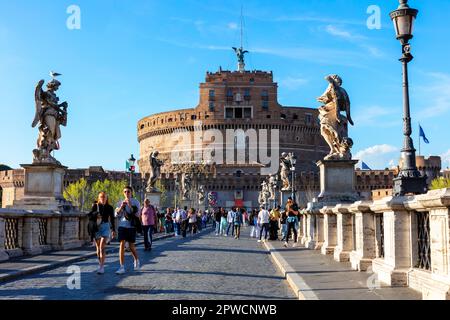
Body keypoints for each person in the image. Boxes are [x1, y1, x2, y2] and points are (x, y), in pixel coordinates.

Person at [115, 186, 141, 275]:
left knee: (131, 246)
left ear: (131, 192)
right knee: (121, 244)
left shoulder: (136, 202)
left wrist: (130, 205)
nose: (126, 193)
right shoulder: (120, 202)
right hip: (122, 225)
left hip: (131, 226)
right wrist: (121, 207)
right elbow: (116, 214)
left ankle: (136, 259)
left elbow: (137, 215)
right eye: (125, 192)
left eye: (128, 191)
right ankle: (121, 266)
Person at [88, 192, 115, 275]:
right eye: (101, 197)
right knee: (98, 248)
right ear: (99, 198)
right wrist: (96, 213)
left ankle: (102, 267)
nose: (103, 198)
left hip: (105, 226)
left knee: (102, 246)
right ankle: (100, 264)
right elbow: (89, 215)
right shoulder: (95, 206)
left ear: (107, 198)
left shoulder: (110, 207)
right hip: (97, 227)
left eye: (104, 197)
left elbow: (112, 219)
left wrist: (113, 230)